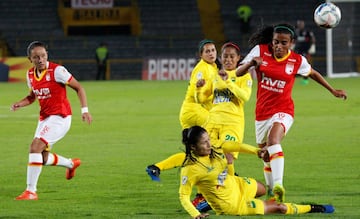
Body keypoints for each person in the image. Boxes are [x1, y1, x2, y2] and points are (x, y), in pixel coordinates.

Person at [235, 23, 347, 203]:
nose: (278, 46)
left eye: (283, 43)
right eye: (275, 42)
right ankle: (272, 192)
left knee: (273, 141)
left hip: (284, 110)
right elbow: (237, 72)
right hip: (262, 112)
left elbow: (312, 73)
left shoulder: (297, 61)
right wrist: (250, 64)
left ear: (291, 43)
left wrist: (332, 90)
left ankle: (279, 185)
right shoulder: (260, 51)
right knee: (265, 154)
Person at [179, 125, 335, 218]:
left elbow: (235, 146)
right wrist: (195, 214)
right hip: (233, 205)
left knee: (262, 189)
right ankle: (315, 208)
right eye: (204, 142)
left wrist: (257, 151)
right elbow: (184, 196)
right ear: (193, 147)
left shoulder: (213, 147)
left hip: (236, 184)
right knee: (279, 207)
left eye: (208, 139)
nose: (209, 144)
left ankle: (210, 201)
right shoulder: (191, 169)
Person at [11, 41, 93, 200]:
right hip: (45, 118)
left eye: (43, 55)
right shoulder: (29, 74)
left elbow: (79, 88)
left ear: (47, 55)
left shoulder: (57, 71)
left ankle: (31, 191)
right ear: (30, 59)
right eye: (36, 57)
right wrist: (20, 104)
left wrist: (85, 110)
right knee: (40, 157)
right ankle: (71, 164)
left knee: (35, 147)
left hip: (60, 117)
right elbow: (32, 96)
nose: (40, 59)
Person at [146, 39, 218, 181]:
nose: (211, 53)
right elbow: (200, 98)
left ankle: (156, 167)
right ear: (200, 55)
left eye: (213, 50)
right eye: (207, 51)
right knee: (215, 143)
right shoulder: (202, 69)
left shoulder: (212, 67)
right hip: (194, 111)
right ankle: (224, 177)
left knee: (193, 154)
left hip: (189, 112)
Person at [294, 20, 316, 85]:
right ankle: (293, 78)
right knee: (294, 63)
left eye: (301, 24)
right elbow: (293, 40)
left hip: (306, 50)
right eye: (299, 24)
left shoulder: (307, 32)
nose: (300, 25)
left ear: (303, 25)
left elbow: (313, 39)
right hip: (297, 50)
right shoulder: (295, 32)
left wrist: (312, 46)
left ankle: (305, 79)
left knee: (306, 64)